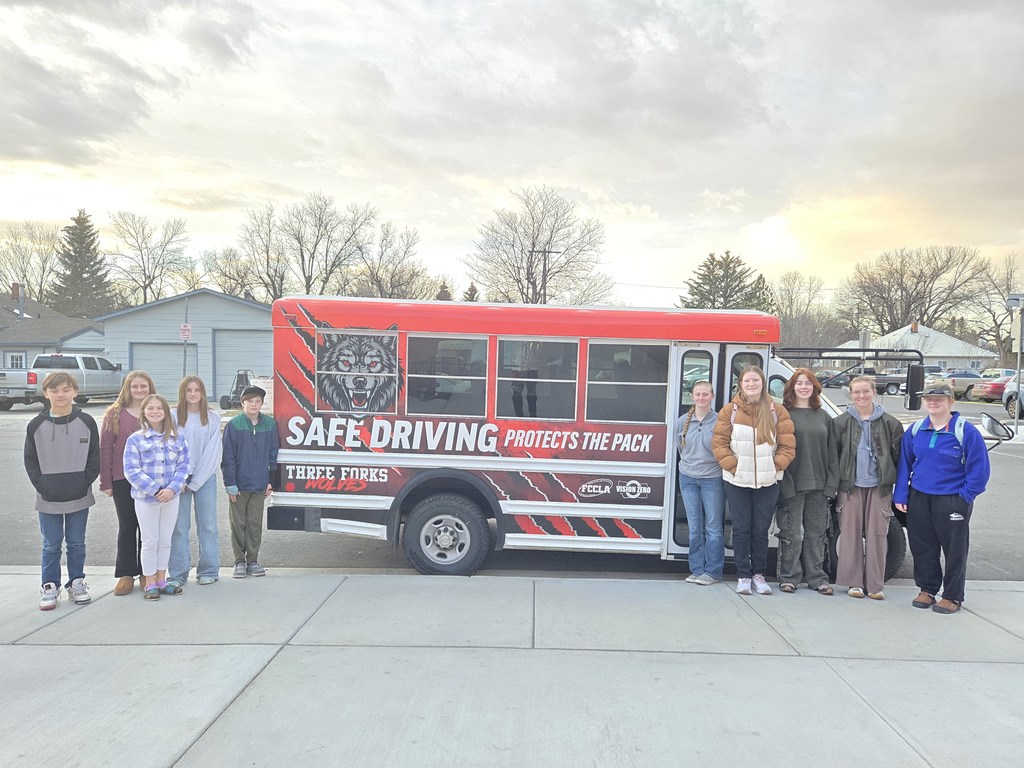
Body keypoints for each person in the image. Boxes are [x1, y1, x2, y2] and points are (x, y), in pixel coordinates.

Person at [894, 384, 990, 614]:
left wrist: (965, 496)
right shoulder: (916, 430)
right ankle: (927, 590)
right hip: (920, 496)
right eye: (929, 399)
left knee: (954, 548)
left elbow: (980, 469)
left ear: (950, 402)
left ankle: (952, 595)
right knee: (923, 545)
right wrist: (902, 494)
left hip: (952, 498)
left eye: (939, 399)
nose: (933, 403)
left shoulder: (965, 431)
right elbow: (905, 464)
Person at [712, 366, 795, 596]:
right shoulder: (730, 411)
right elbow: (719, 444)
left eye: (755, 380)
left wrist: (774, 466)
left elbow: (788, 446)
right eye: (747, 380)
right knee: (741, 529)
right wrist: (735, 467)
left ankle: (759, 575)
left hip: (768, 481)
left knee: (760, 530)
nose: (751, 384)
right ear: (741, 384)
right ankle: (743, 576)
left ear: (763, 383)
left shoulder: (777, 411)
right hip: (737, 480)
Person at [24, 372, 100, 610]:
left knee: (77, 543)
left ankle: (76, 582)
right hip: (48, 497)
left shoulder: (86, 422)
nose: (61, 394)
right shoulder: (35, 425)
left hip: (79, 494)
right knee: (51, 544)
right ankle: (49, 586)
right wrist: (43, 486)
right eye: (55, 390)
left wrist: (83, 481)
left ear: (74, 392)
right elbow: (31, 462)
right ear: (46, 393)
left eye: (66, 389)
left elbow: (94, 458)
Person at [834, 375, 904, 600]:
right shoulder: (841, 423)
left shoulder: (891, 423)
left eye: (865, 391)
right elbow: (834, 456)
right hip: (849, 487)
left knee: (877, 534)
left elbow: (899, 458)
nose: (861, 396)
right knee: (849, 535)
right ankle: (854, 583)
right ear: (851, 395)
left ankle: (875, 585)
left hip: (879, 488)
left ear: (874, 392)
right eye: (856, 392)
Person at [777, 368, 838, 595]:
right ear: (792, 387)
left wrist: (831, 486)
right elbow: (778, 450)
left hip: (820, 486)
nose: (803, 387)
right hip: (792, 484)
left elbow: (833, 453)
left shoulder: (824, 417)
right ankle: (789, 577)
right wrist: (785, 483)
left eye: (808, 383)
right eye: (799, 383)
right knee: (792, 534)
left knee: (816, 534)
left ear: (815, 387)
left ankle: (817, 578)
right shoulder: (783, 415)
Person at [123, 394, 190, 600]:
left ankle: (162, 579)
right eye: (150, 408)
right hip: (146, 499)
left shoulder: (177, 437)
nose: (155, 412)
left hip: (171, 497)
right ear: (144, 412)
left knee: (165, 539)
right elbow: (131, 470)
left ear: (166, 412)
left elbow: (184, 465)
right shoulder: (135, 439)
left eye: (159, 408)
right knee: (150, 541)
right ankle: (149, 581)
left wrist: (172, 489)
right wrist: (155, 490)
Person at [100, 370, 157, 596]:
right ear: (127, 388)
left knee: (147, 527)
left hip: (151, 479)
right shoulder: (115, 414)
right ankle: (125, 574)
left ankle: (146, 572)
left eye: (144, 386)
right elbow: (105, 449)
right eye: (135, 386)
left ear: (150, 388)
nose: (140, 390)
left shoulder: (156, 412)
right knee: (127, 525)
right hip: (123, 478)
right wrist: (106, 480)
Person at [166, 376, 223, 591]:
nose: (192, 394)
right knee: (179, 528)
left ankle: (208, 570)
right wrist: (178, 479)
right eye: (188, 390)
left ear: (202, 393)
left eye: (196, 390)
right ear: (182, 392)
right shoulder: (171, 416)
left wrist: (197, 480)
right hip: (177, 479)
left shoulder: (212, 417)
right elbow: (169, 449)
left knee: (208, 526)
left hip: (205, 477)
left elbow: (212, 452)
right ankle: (178, 573)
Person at [222, 385, 278, 578]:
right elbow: (227, 457)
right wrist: (230, 484)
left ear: (262, 403)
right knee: (238, 524)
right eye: (250, 401)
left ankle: (253, 560)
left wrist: (271, 480)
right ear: (242, 402)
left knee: (254, 523)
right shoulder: (234, 425)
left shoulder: (269, 424)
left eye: (258, 401)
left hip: (259, 485)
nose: (254, 404)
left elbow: (273, 454)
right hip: (238, 485)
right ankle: (239, 561)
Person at [674, 381, 725, 586]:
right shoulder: (681, 422)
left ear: (712, 397)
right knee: (695, 527)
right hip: (687, 478)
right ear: (692, 397)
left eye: (705, 394)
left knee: (713, 527)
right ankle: (696, 569)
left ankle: (713, 571)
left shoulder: (720, 422)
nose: (701, 398)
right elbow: (681, 449)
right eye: (698, 394)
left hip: (712, 478)